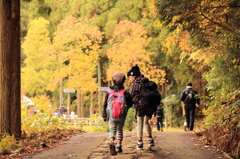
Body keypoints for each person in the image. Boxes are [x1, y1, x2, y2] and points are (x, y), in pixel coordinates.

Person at [127, 64, 159, 150]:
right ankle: (150, 141)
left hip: (140, 106)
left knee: (140, 123)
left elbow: (131, 96)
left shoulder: (135, 83)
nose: (129, 79)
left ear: (134, 75)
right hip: (150, 106)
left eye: (130, 77)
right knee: (146, 122)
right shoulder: (146, 81)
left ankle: (140, 143)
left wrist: (128, 104)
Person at [102, 71, 133, 155]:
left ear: (112, 81)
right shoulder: (125, 92)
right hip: (122, 115)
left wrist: (105, 117)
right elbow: (130, 104)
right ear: (123, 81)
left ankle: (112, 141)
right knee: (119, 129)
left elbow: (104, 105)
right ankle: (119, 146)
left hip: (111, 115)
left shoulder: (108, 92)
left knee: (112, 129)